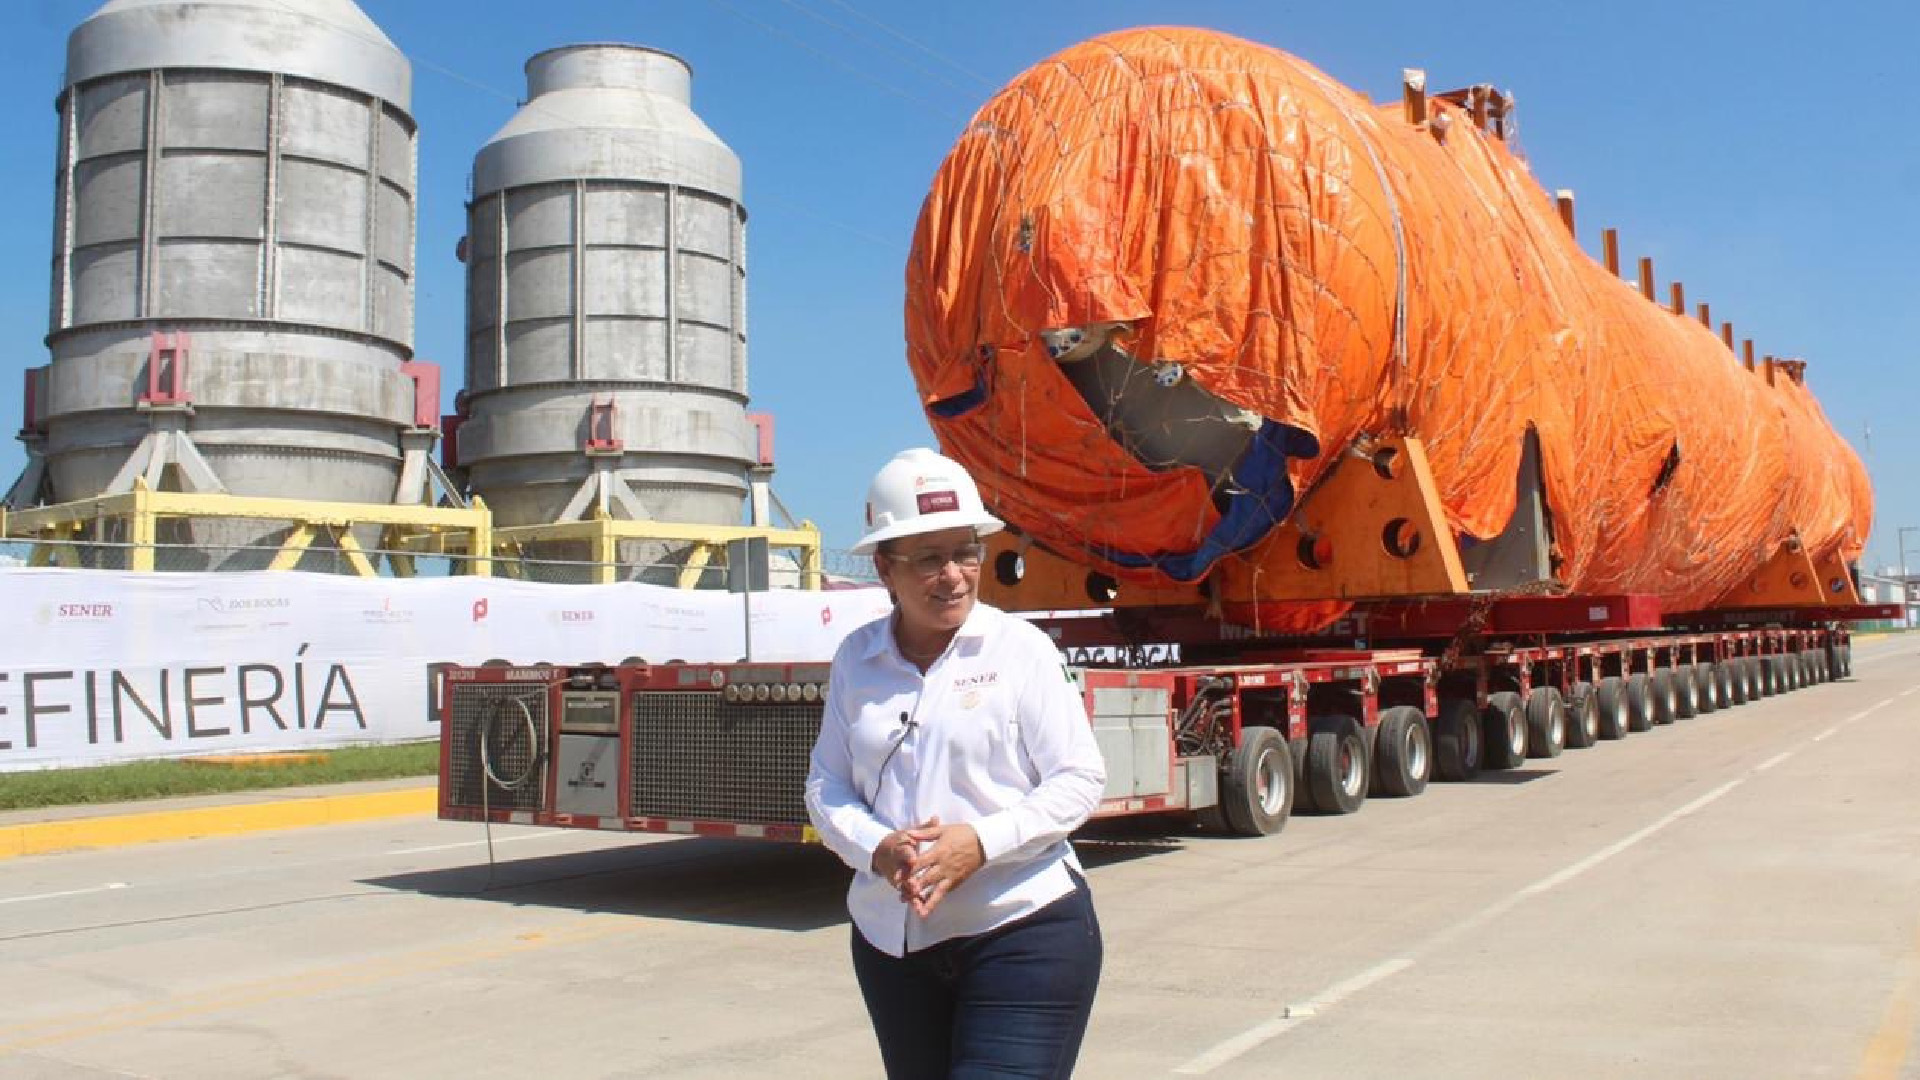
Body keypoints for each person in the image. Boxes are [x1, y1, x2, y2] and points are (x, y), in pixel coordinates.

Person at [805, 447, 1108, 1080]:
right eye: (927, 559)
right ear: (885, 568)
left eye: (965, 552)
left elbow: (1080, 778)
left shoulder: (1019, 650)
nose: (953, 576)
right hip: (893, 948)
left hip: (1022, 932)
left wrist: (981, 842)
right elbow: (827, 786)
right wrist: (876, 846)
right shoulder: (855, 660)